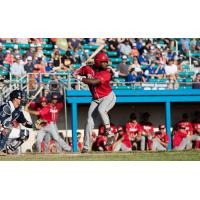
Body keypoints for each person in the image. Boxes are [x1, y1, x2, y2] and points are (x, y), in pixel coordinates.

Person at [73, 52, 116, 153]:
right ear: (97, 62)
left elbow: (93, 82)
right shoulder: (87, 68)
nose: (106, 64)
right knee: (89, 122)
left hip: (108, 97)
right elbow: (77, 72)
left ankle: (110, 134)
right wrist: (77, 71)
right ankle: (86, 146)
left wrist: (79, 77)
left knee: (102, 110)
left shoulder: (107, 73)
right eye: (103, 62)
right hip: (95, 99)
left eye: (106, 62)